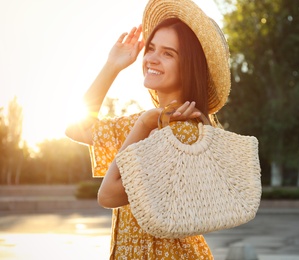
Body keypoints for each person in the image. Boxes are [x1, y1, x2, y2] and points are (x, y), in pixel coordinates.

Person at [65, 0, 230, 258]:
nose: (152, 58)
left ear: (188, 67)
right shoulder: (143, 122)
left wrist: (144, 124)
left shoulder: (184, 134)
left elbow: (108, 196)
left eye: (168, 53)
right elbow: (76, 128)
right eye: (151, 48)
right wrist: (112, 66)